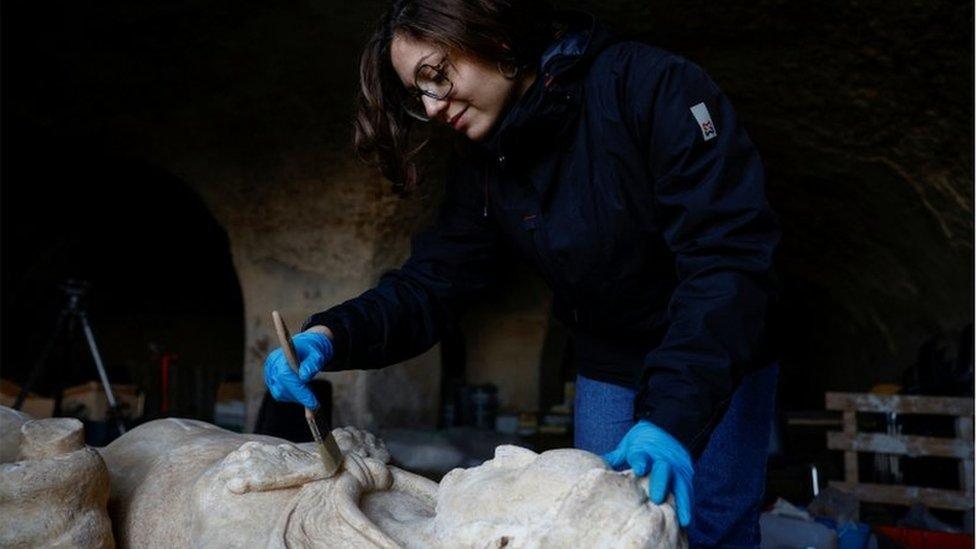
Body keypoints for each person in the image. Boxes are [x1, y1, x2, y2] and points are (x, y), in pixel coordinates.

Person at [263, 1, 780, 546]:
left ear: (494, 39)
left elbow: (729, 262)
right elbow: (435, 281)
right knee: (599, 528)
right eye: (419, 95)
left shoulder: (653, 87)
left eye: (436, 76)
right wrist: (331, 335)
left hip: (714, 351)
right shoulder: (488, 161)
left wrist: (673, 417)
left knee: (712, 531)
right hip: (610, 360)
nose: (433, 106)